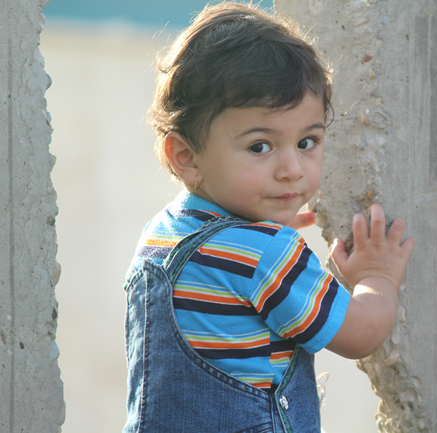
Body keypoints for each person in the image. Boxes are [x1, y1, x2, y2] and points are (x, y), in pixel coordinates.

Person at [123, 3, 414, 432]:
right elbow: (360, 334)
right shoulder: (266, 255)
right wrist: (378, 277)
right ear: (185, 155)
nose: (292, 169)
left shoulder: (161, 234)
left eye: (307, 141)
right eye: (260, 146)